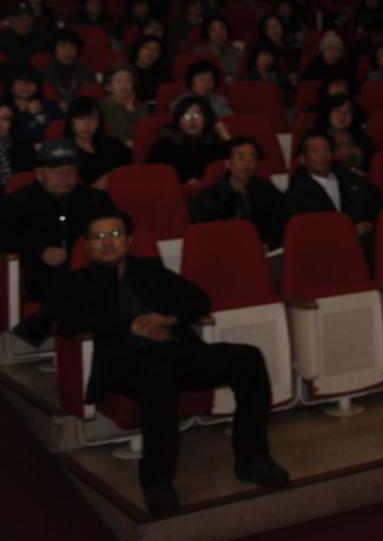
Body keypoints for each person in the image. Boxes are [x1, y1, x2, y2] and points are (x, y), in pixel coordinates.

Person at [48, 212, 288, 516]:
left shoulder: (149, 269)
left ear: (130, 240)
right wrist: (127, 326)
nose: (107, 243)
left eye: (115, 235)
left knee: (247, 357)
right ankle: (157, 481)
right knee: (158, 376)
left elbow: (198, 299)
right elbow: (67, 322)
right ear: (87, 246)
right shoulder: (76, 281)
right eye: (98, 237)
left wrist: (169, 318)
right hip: (123, 362)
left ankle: (252, 458)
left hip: (174, 350)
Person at [0, 139, 116, 345]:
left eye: (71, 170)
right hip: (42, 276)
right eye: (56, 171)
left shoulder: (96, 199)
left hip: (97, 269)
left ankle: (38, 325)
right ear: (39, 174)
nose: (65, 177)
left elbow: (120, 229)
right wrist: (40, 253)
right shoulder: (17, 203)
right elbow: (6, 241)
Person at [285, 131, 383, 262]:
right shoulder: (296, 193)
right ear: (303, 159)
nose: (323, 156)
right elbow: (305, 231)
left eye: (327, 150)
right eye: (316, 152)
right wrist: (347, 231)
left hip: (364, 244)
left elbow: (380, 204)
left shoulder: (351, 179)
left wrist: (370, 224)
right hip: (324, 252)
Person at [189, 137, 289, 251]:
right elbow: (211, 237)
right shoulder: (210, 197)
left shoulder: (268, 190)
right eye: (240, 158)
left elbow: (282, 225)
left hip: (266, 253)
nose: (246, 164)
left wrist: (270, 245)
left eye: (252, 158)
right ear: (228, 163)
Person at [147, 95, 229, 185]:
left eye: (196, 115)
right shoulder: (163, 146)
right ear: (178, 120)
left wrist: (226, 138)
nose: (192, 121)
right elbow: (153, 176)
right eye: (186, 116)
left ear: (206, 117)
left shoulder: (214, 142)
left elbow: (233, 169)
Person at [65, 95, 131, 189]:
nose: (86, 125)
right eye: (81, 119)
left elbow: (130, 172)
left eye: (92, 119)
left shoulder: (114, 144)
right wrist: (93, 188)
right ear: (70, 121)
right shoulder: (64, 152)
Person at [99, 63, 150, 147]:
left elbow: (146, 130)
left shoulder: (142, 107)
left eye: (128, 81)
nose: (123, 85)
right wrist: (125, 142)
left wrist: (131, 108)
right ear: (108, 87)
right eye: (118, 81)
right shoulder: (100, 107)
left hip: (139, 148)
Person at [43, 28, 97, 101]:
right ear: (54, 49)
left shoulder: (87, 73)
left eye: (72, 47)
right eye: (63, 46)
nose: (68, 52)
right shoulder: (43, 74)